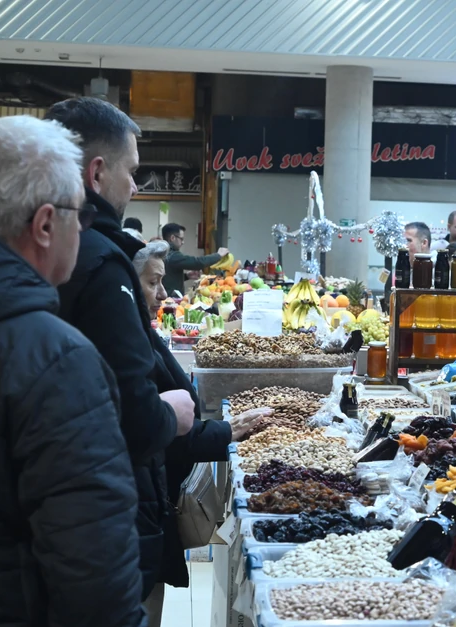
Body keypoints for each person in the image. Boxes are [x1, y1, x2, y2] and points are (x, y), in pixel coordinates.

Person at [0, 115, 146, 626]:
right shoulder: (53, 360)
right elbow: (93, 572)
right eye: (79, 216)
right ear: (45, 224)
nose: (84, 228)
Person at [45, 97, 195, 603]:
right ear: (96, 172)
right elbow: (130, 408)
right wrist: (171, 413)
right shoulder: (102, 263)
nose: (135, 186)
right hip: (100, 506)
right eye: (131, 172)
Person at [132, 241, 269, 627]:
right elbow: (154, 428)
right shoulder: (125, 344)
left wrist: (224, 429)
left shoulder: (140, 332)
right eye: (153, 282)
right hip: (140, 508)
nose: (163, 293)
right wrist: (226, 431)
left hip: (149, 507)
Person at [161, 222, 229, 296]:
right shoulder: (172, 255)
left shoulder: (163, 252)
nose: (183, 242)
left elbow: (167, 278)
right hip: (170, 299)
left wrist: (186, 276)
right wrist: (218, 255)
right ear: (172, 238)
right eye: (181, 239)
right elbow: (198, 262)